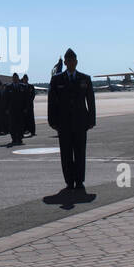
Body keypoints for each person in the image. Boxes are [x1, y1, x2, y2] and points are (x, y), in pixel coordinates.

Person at [47, 48, 95, 194]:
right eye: (68, 61)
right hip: (64, 123)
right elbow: (52, 102)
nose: (71, 63)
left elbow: (90, 101)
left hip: (81, 122)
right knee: (66, 154)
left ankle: (79, 181)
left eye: (73, 60)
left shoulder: (85, 78)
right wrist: (52, 121)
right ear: (66, 63)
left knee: (80, 152)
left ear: (76, 62)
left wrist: (91, 120)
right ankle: (69, 181)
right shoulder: (57, 79)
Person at [5, 73, 25, 145]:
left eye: (16, 78)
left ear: (18, 78)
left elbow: (25, 99)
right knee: (12, 125)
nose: (15, 79)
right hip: (12, 109)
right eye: (14, 78)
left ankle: (19, 138)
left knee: (20, 124)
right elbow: (6, 99)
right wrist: (6, 108)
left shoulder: (22, 87)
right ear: (12, 79)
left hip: (20, 109)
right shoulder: (8, 87)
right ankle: (13, 138)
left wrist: (25, 108)